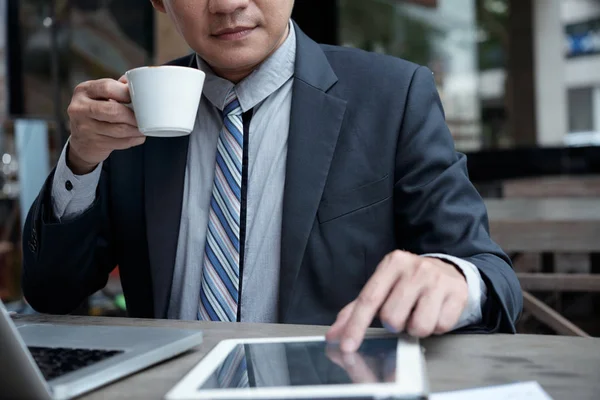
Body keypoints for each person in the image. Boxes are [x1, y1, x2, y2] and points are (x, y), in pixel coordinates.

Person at [22, 0, 522, 352]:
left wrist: (452, 277)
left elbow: (493, 275)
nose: (228, 3)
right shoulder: (132, 108)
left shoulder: (393, 96)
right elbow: (51, 294)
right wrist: (81, 161)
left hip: (334, 386)